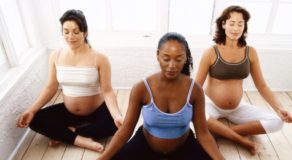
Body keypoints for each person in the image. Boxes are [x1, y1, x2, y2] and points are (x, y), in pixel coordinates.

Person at [98, 32, 224, 160]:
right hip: (146, 145)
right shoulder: (141, 88)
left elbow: (203, 134)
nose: (172, 65)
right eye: (166, 58)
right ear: (158, 55)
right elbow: (125, 130)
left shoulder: (195, 90)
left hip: (184, 146)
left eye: (178, 59)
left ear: (186, 58)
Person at [16, 9, 123, 152]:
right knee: (35, 120)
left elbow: (108, 91)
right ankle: (81, 140)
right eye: (66, 32)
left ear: (85, 32)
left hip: (96, 109)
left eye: (76, 31)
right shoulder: (56, 55)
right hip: (69, 111)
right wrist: (31, 110)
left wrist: (116, 116)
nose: (70, 36)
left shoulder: (100, 58)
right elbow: (50, 87)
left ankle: (69, 133)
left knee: (113, 125)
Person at [195, 5, 292, 155]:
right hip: (211, 105)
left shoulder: (251, 52)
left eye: (240, 24)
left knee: (277, 122)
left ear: (244, 26)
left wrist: (279, 109)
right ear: (223, 24)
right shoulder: (211, 52)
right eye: (231, 23)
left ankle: (224, 133)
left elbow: (262, 86)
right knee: (192, 120)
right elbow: (196, 87)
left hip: (237, 107)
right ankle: (239, 138)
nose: (235, 28)